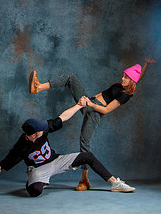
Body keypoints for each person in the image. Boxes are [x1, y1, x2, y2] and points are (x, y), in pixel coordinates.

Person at [28, 57, 156, 191]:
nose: (122, 78)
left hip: (95, 111)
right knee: (70, 78)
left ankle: (84, 180)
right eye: (123, 75)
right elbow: (138, 77)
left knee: (84, 143)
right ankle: (38, 87)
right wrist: (146, 64)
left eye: (126, 77)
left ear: (131, 81)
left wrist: (90, 104)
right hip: (91, 102)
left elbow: (105, 110)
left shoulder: (125, 95)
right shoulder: (121, 85)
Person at [0, 101, 135, 199]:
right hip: (38, 169)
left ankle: (115, 184)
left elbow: (62, 117)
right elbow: (0, 166)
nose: (42, 131)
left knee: (88, 156)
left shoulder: (42, 129)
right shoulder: (20, 147)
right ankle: (35, 182)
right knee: (35, 192)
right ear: (31, 135)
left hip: (56, 160)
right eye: (38, 132)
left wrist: (78, 105)